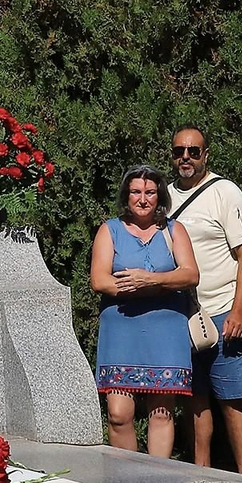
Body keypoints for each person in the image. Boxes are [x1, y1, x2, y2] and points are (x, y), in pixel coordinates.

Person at [166, 127, 242, 473]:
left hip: (222, 310)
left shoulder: (225, 192)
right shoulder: (165, 196)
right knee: (194, 399)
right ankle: (200, 473)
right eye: (179, 151)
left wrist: (239, 310)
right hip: (181, 315)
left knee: (235, 398)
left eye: (193, 151)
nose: (186, 158)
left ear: (206, 154)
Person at [91, 165, 200, 456]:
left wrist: (152, 279)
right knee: (118, 414)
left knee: (162, 414)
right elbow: (99, 280)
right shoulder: (110, 229)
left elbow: (190, 274)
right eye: (136, 192)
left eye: (150, 192)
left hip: (165, 328)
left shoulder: (174, 230)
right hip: (121, 328)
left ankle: (158, 480)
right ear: (126, 196)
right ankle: (128, 479)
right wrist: (138, 287)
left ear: (159, 196)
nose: (143, 199)